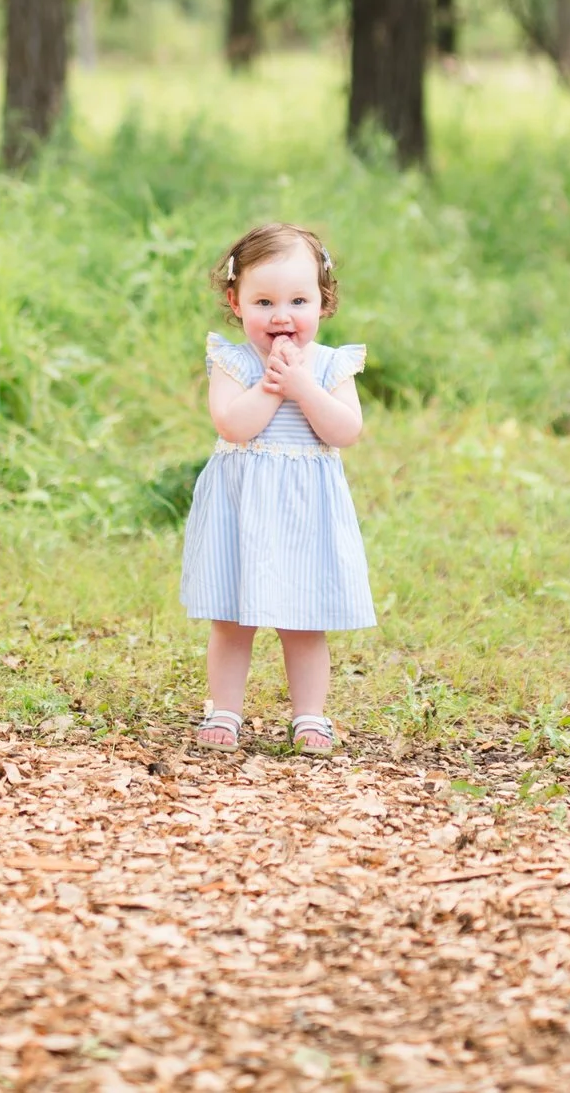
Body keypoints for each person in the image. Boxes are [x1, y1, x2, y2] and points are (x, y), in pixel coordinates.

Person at [181, 222, 373, 755]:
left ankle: (310, 716)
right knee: (232, 618)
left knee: (306, 620)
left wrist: (302, 385)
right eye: (263, 301)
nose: (281, 315)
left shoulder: (331, 364)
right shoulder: (234, 361)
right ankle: (225, 711)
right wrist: (271, 386)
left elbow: (345, 430)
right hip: (241, 507)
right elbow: (233, 425)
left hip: (304, 510)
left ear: (323, 302)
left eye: (298, 300)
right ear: (235, 302)